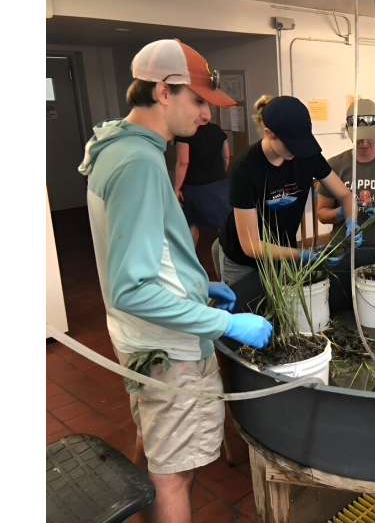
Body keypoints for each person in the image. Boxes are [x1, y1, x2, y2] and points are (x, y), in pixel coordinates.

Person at [78, 39, 273, 523]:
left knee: (157, 452)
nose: (207, 114)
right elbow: (132, 287)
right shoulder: (139, 164)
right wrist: (222, 323)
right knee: (174, 478)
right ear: (164, 91)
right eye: (199, 100)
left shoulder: (119, 145)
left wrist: (197, 286)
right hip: (169, 349)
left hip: (142, 338)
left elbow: (142, 254)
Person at [218, 95, 362, 286]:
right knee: (248, 311)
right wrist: (302, 254)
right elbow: (251, 246)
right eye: (292, 145)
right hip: (243, 261)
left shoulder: (306, 154)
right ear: (269, 133)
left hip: (283, 253)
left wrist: (352, 220)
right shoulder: (245, 169)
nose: (297, 152)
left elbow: (345, 195)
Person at [317, 98, 375, 245]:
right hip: (343, 247)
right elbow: (322, 214)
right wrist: (342, 212)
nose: (364, 143)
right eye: (359, 139)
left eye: (369, 138)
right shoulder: (334, 165)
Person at [174, 121, 232, 247]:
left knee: (190, 224)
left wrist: (176, 188)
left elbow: (183, 162)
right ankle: (227, 258)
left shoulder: (185, 132)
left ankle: (191, 258)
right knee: (225, 225)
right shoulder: (217, 129)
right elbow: (227, 156)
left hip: (193, 188)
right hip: (220, 185)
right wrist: (220, 174)